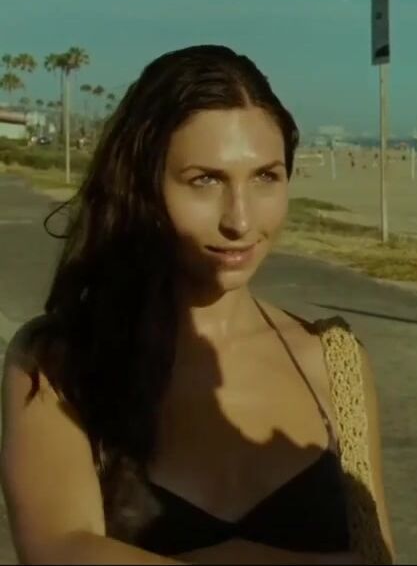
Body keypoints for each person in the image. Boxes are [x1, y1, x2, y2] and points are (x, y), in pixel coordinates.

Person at [1, 45, 395, 564]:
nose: (240, 220)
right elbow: (58, 549)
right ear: (140, 186)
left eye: (265, 177)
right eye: (205, 180)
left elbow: (376, 554)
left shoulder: (335, 362)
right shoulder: (60, 363)